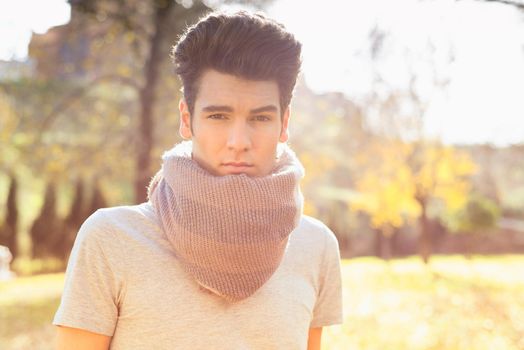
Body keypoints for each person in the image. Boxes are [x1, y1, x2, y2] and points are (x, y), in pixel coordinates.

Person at [53, 10, 343, 350]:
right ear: (187, 120)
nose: (239, 140)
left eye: (260, 117)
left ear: (284, 124)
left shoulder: (316, 246)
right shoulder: (111, 239)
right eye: (218, 116)